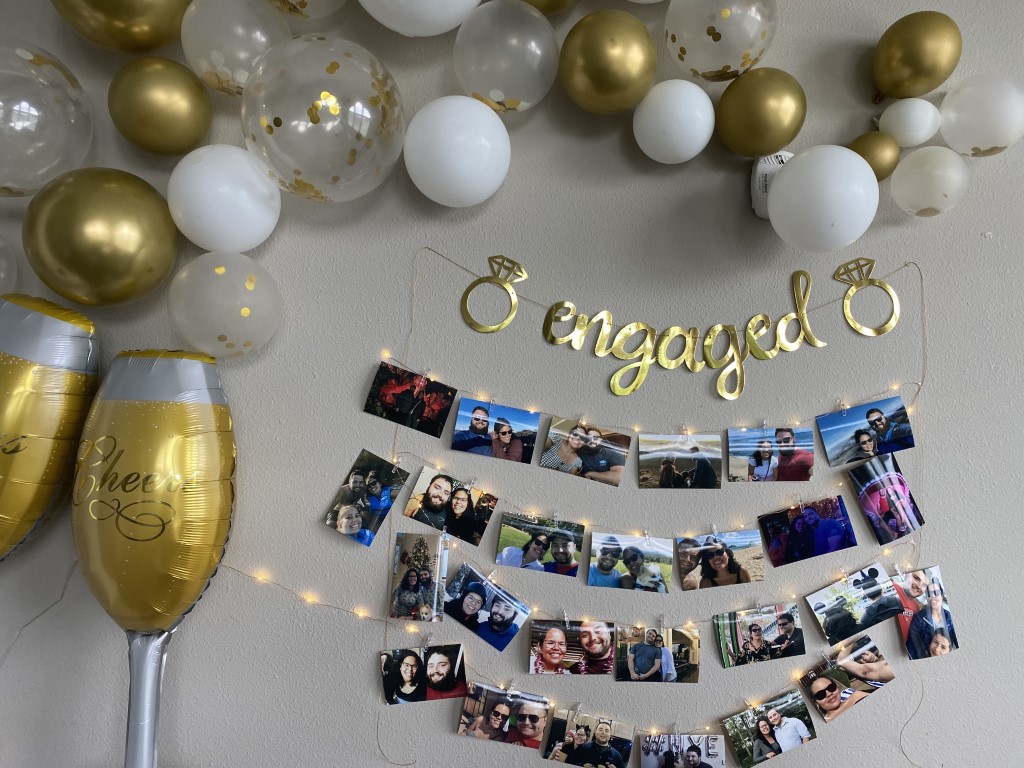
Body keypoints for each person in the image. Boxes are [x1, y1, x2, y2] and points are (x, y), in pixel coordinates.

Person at [906, 577, 958, 659]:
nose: (933, 596)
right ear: (927, 598)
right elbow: (911, 648)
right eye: (929, 594)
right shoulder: (918, 619)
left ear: (941, 596)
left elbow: (959, 642)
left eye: (936, 592)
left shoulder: (950, 617)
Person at [893, 569, 927, 641]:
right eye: (916, 578)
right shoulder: (892, 590)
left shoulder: (917, 607)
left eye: (924, 585)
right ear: (906, 574)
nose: (919, 586)